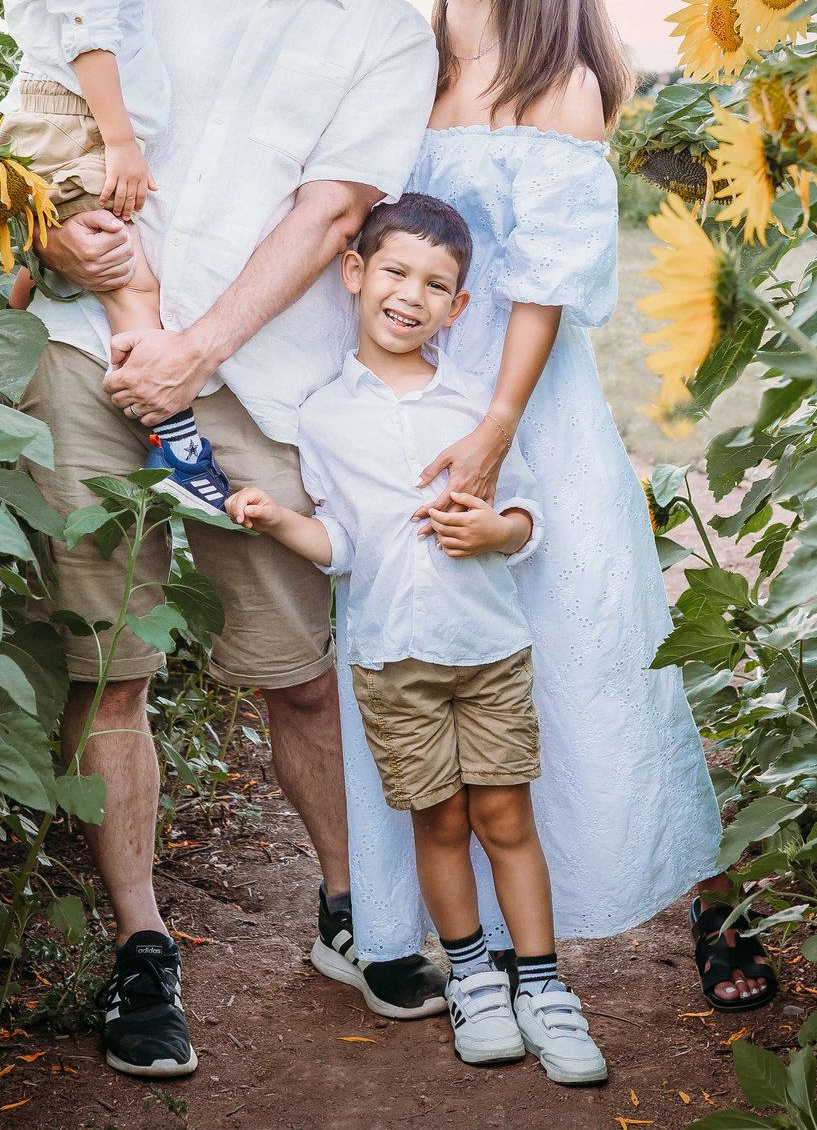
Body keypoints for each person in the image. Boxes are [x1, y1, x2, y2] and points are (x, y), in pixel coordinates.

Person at [19, 0, 451, 1078]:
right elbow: (42, 105)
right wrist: (60, 220)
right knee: (113, 666)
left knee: (298, 663)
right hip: (88, 350)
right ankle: (145, 946)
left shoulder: (389, 29)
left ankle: (351, 906)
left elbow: (330, 212)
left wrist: (195, 346)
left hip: (254, 376)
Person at [336, 0, 748, 1009]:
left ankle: (708, 893)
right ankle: (444, 931)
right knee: (418, 637)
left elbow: (546, 282)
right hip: (411, 391)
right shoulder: (404, 67)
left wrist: (498, 423)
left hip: (526, 400)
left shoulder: (559, 82)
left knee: (587, 643)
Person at [227, 194, 610, 1085]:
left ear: (458, 308)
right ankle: (473, 975)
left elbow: (526, 513)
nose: (412, 294)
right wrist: (280, 517)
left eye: (436, 284)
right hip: (395, 660)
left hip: (488, 649)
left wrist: (498, 531)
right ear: (355, 274)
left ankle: (544, 986)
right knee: (438, 819)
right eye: (395, 271)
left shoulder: (475, 403)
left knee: (505, 815)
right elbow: (344, 547)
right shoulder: (322, 418)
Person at [0, 0, 230, 512]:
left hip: (51, 128)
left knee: (61, 245)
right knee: (132, 276)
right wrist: (122, 142)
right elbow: (89, 43)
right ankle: (175, 431)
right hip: (76, 128)